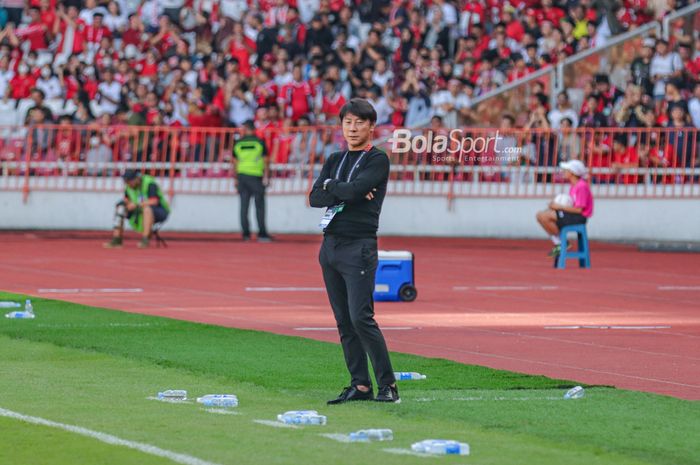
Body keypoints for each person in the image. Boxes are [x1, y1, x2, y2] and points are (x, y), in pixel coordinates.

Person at [309, 98, 399, 404]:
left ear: (371, 127)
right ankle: (360, 385)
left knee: (361, 317)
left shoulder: (378, 159)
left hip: (359, 245)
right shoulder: (335, 159)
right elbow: (315, 198)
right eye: (348, 122)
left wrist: (337, 188)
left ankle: (388, 384)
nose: (353, 128)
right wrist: (341, 186)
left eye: (359, 122)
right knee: (343, 321)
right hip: (330, 244)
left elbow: (354, 190)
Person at [535, 159, 594, 257]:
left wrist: (559, 207)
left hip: (579, 217)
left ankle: (562, 243)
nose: (564, 172)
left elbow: (579, 209)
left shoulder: (581, 186)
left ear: (573, 172)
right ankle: (560, 243)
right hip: (572, 214)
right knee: (540, 216)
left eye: (566, 170)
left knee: (545, 216)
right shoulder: (574, 186)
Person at [104, 170, 170, 248]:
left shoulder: (149, 183)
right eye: (126, 181)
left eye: (129, 181)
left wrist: (136, 205)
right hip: (139, 210)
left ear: (137, 178)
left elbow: (154, 201)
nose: (128, 184)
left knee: (147, 209)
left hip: (159, 210)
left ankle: (145, 240)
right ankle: (117, 240)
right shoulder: (128, 186)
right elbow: (126, 199)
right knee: (120, 208)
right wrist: (125, 205)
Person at [232, 120, 272, 242]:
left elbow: (234, 162)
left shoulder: (238, 143)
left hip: (242, 176)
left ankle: (246, 234)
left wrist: (235, 178)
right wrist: (267, 176)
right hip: (256, 176)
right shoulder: (260, 142)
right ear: (254, 129)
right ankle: (262, 234)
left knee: (244, 206)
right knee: (259, 206)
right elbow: (266, 161)